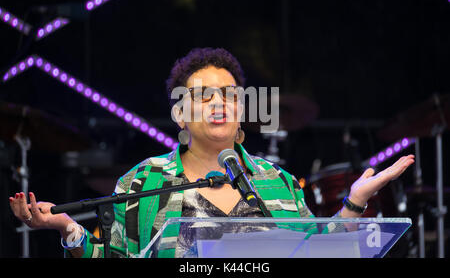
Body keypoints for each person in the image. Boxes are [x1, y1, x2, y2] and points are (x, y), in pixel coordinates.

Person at [9, 47, 415, 258]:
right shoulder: (142, 181)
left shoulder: (280, 183)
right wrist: (68, 229)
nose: (218, 103)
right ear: (181, 115)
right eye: (203, 96)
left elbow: (318, 251)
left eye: (229, 95)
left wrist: (355, 203)